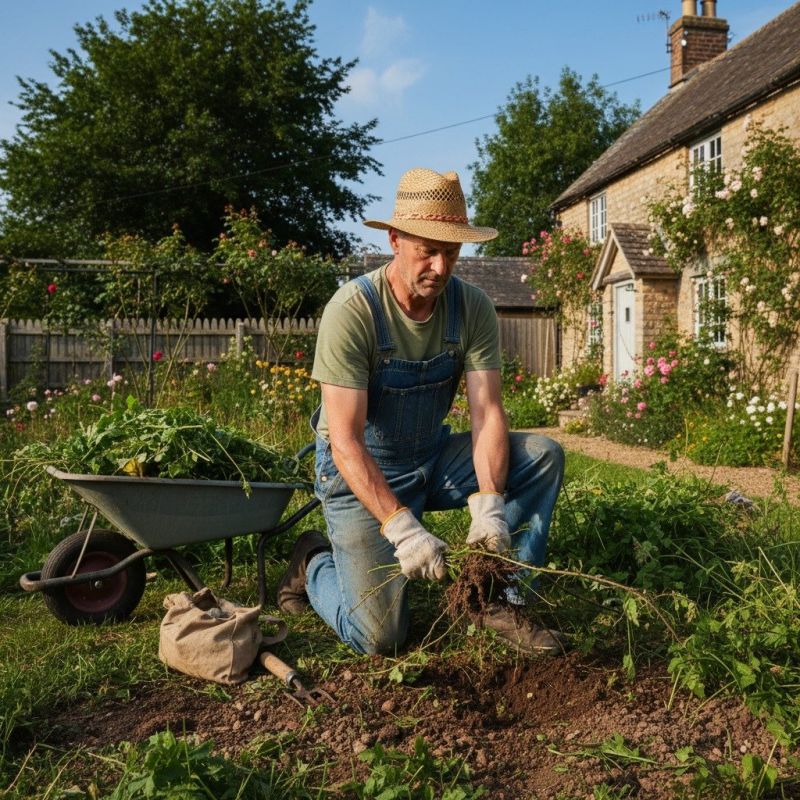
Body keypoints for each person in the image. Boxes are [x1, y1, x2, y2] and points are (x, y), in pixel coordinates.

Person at [277, 167, 566, 656]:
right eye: (426, 251)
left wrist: (492, 503)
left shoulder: (470, 307)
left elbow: (487, 412)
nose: (440, 266)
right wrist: (402, 529)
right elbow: (344, 440)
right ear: (394, 239)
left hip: (430, 459)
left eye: (451, 252)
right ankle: (314, 562)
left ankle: (497, 595)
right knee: (381, 637)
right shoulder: (354, 311)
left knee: (541, 455)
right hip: (359, 472)